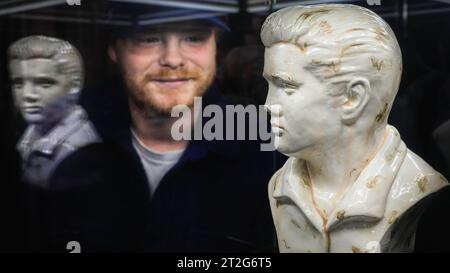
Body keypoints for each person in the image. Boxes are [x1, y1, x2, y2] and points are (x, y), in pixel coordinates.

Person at [75, 12, 278, 252]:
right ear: (114, 49)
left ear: (215, 47)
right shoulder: (72, 136)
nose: (172, 59)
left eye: (194, 37)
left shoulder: (263, 148)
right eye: (148, 38)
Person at [261, 4, 448, 253]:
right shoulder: (280, 186)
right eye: (270, 85)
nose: (268, 105)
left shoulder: (417, 191)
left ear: (353, 98)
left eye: (287, 86)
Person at [8, 35, 100, 188]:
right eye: (19, 84)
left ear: (74, 85)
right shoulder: (34, 131)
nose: (27, 94)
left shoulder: (81, 153)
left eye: (44, 84)